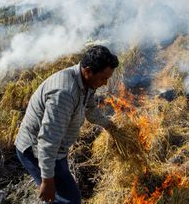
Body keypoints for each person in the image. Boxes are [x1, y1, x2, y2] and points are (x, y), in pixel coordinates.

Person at [14, 45, 119, 203]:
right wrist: (48, 180)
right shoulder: (64, 93)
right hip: (35, 150)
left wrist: (110, 126)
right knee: (69, 200)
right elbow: (48, 140)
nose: (105, 83)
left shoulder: (86, 83)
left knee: (67, 196)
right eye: (103, 78)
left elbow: (90, 109)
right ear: (88, 71)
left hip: (56, 150)